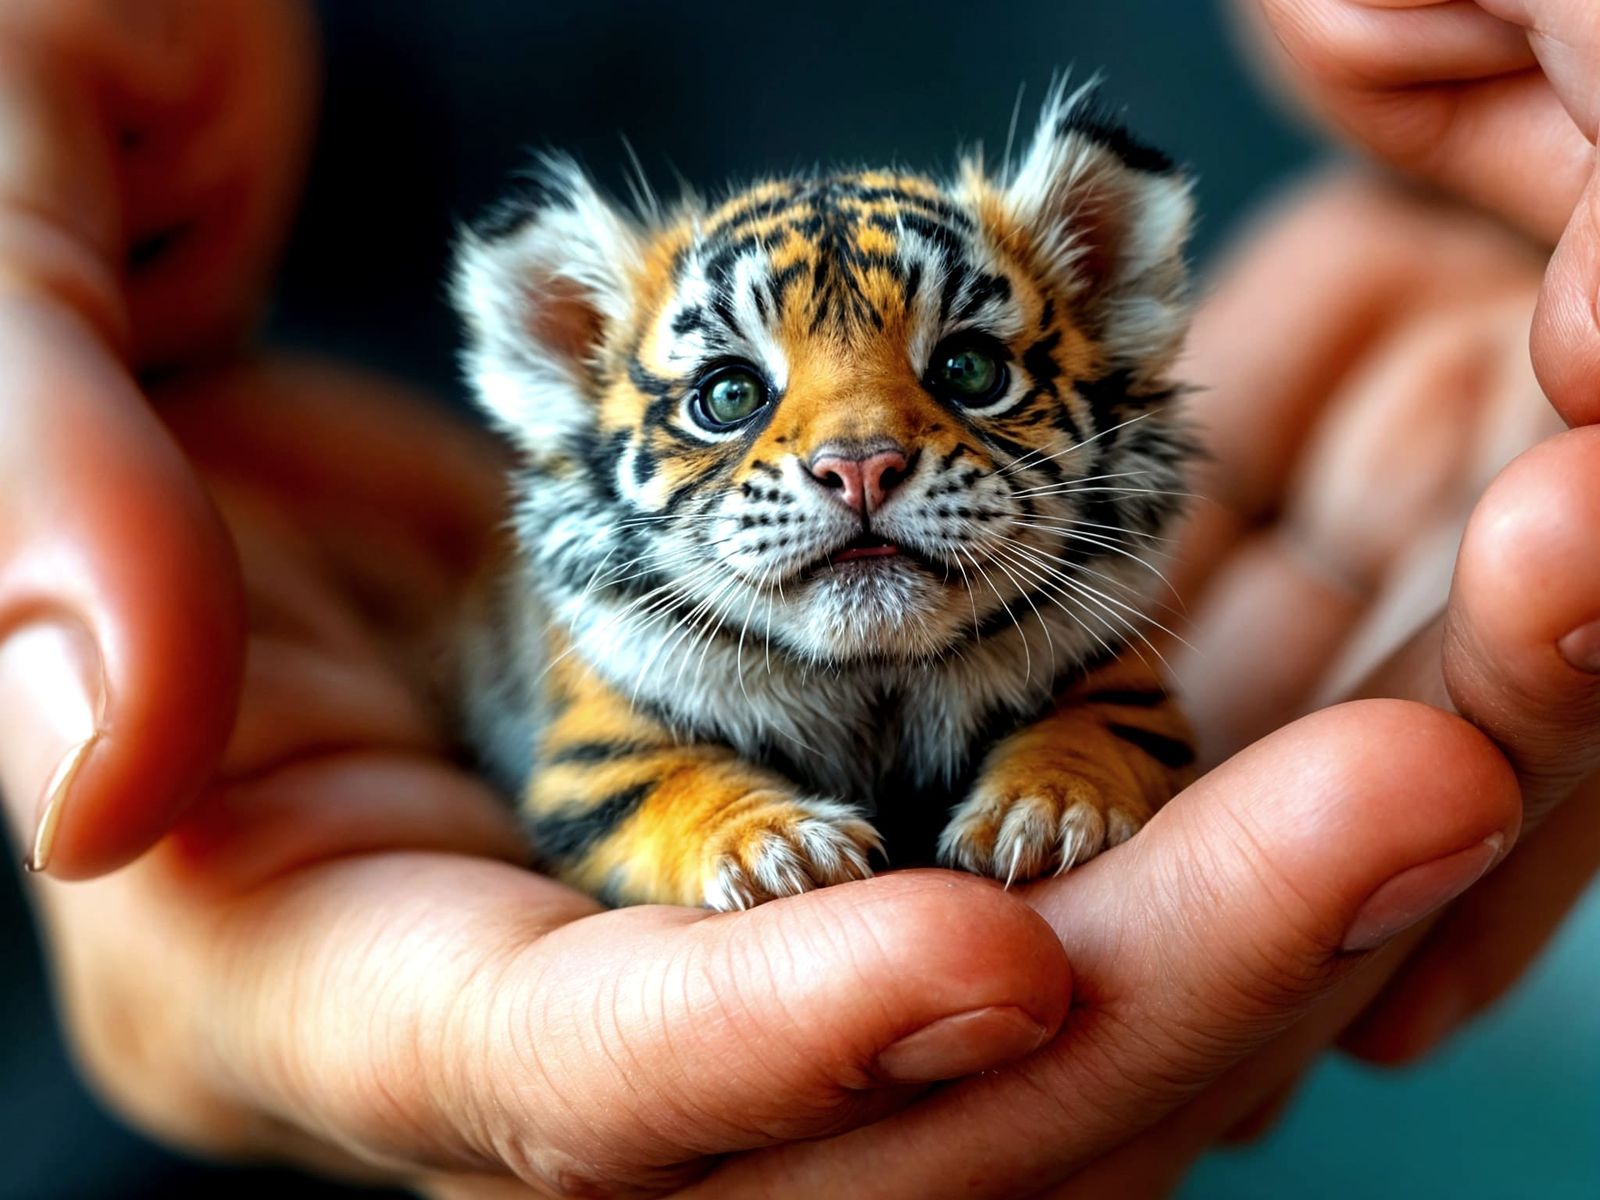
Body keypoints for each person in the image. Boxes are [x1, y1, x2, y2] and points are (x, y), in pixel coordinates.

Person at [0, 2, 1595, 1195]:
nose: (858, 453)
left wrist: (1083, 758)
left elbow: (1120, 705)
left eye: (965, 371)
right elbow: (601, 780)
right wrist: (704, 822)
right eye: (722, 398)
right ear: (561, 371)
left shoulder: (1084, 593)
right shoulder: (605, 622)